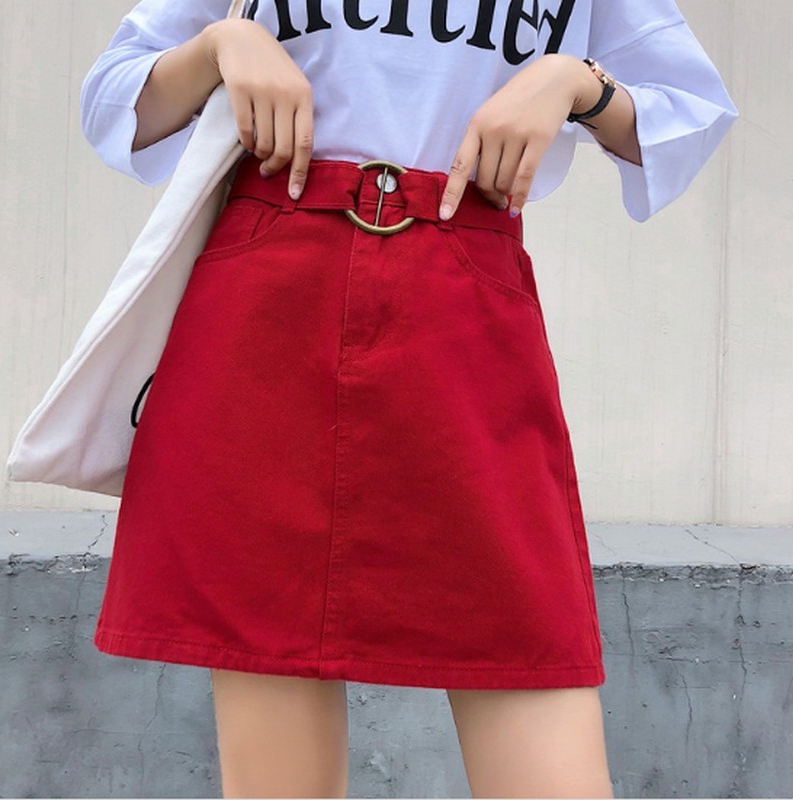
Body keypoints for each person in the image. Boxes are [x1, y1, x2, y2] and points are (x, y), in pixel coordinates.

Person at [80, 1, 737, 797]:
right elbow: (112, 98)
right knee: (275, 751)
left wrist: (576, 83)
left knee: (535, 673)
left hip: (464, 307)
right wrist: (223, 44)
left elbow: (690, 111)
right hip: (268, 307)